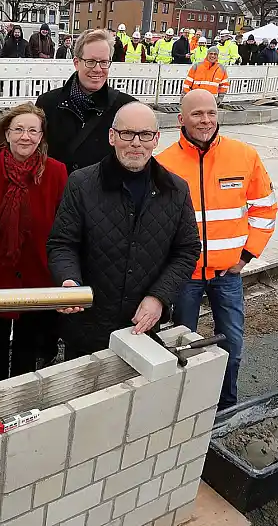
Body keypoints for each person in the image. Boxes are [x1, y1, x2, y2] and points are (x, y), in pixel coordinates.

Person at [47, 102, 201, 358]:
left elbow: (187, 250)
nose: (136, 143)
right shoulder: (82, 184)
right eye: (127, 133)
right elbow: (62, 243)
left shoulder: (176, 190)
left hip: (141, 325)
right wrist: (69, 280)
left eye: (145, 135)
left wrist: (159, 298)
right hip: (88, 324)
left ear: (156, 139)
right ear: (112, 136)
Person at [157, 89, 278, 410]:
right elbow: (154, 227)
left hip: (228, 274)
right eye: (197, 114)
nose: (205, 120)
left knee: (233, 345)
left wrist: (246, 256)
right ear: (181, 119)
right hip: (186, 277)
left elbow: (265, 209)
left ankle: (225, 408)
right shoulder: (163, 164)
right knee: (183, 346)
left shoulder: (244, 156)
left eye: (211, 112)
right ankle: (184, 409)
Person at [0, 104, 67, 380]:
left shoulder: (56, 172)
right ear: (6, 134)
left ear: (41, 137)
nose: (25, 136)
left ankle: (21, 413)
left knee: (26, 355)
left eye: (33, 130)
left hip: (37, 279)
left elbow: (63, 228)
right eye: (18, 129)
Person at [35, 30, 137, 175]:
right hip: (59, 194)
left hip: (105, 195)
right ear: (76, 63)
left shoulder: (127, 107)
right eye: (90, 62)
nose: (97, 69)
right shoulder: (47, 104)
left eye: (104, 62)